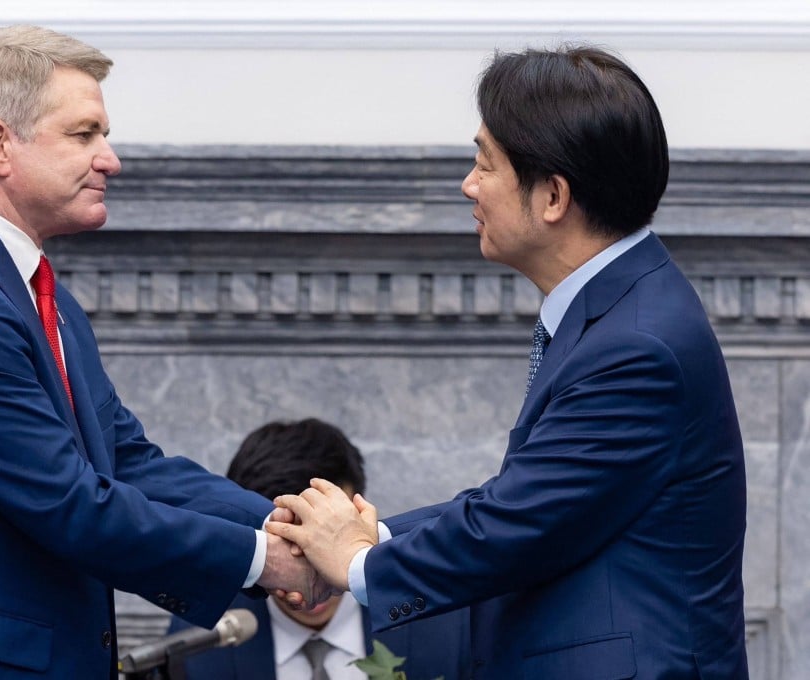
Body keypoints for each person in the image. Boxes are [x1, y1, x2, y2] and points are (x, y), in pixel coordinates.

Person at [0, 25, 327, 679]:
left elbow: (132, 465)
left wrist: (293, 523)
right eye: (84, 134)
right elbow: (72, 506)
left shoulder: (40, 297)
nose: (110, 159)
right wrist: (264, 557)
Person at [270, 45, 748, 679]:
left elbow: (517, 522)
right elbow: (530, 497)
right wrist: (371, 539)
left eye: (483, 162)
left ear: (552, 196)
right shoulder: (623, 305)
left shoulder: (638, 346)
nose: (468, 185)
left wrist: (359, 563)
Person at [167, 418, 472, 680]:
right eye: (289, 538)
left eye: (328, 534)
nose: (312, 560)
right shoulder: (203, 634)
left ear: (360, 512)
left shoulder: (441, 617)